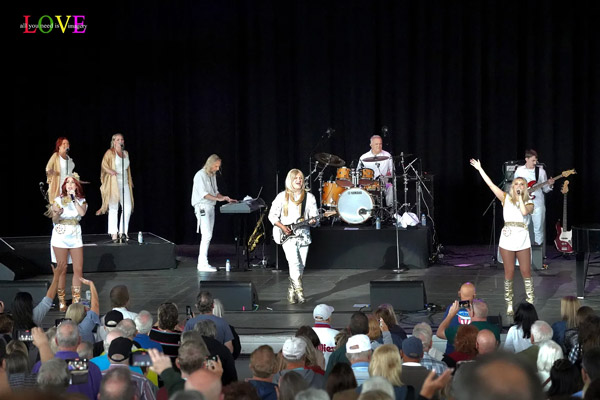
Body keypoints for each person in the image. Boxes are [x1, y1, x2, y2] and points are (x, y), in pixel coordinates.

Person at [471, 158, 535, 315]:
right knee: (509, 272)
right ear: (512, 186)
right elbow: (491, 185)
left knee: (526, 271)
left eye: (521, 184)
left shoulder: (529, 203)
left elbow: (524, 212)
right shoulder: (505, 198)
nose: (518, 186)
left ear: (525, 187)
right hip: (508, 238)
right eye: (516, 184)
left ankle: (530, 299)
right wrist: (480, 169)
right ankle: (509, 302)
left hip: (522, 238)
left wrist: (520, 198)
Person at [268, 169, 318, 303]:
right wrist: (283, 227)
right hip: (287, 236)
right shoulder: (281, 196)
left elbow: (314, 217)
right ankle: (300, 293)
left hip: (303, 235)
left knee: (301, 265)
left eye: (300, 178)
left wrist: (314, 221)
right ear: (290, 180)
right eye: (295, 178)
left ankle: (291, 290)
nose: (299, 180)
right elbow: (272, 215)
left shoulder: (309, 197)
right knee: (294, 263)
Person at [191, 154, 237, 272]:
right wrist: (218, 199)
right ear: (210, 164)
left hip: (210, 206)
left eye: (218, 166)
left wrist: (224, 198)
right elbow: (204, 194)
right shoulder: (200, 175)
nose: (217, 169)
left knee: (208, 235)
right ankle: (202, 264)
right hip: (202, 206)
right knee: (206, 235)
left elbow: (216, 192)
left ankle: (203, 262)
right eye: (216, 166)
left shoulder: (212, 176)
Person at [49, 173, 88, 311]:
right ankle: (61, 301)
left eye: (72, 182)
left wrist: (74, 199)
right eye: (67, 182)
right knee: (62, 269)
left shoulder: (81, 200)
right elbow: (54, 219)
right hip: (60, 236)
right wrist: (57, 214)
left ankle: (76, 300)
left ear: (76, 186)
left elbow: (82, 213)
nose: (69, 185)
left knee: (78, 269)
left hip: (75, 236)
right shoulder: (58, 200)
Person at [96, 133, 134, 241]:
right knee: (114, 208)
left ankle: (123, 232)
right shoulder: (110, 152)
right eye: (118, 139)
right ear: (113, 141)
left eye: (122, 139)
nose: (120, 141)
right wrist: (110, 171)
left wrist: (130, 180)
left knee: (127, 207)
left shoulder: (126, 153)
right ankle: (113, 233)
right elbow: (104, 165)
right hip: (114, 183)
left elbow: (127, 168)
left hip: (124, 183)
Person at [513, 149, 555, 247]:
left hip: (537, 203)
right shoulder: (519, 170)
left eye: (536, 160)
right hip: (523, 203)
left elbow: (545, 189)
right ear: (526, 159)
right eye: (533, 160)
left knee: (538, 229)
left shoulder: (541, 172)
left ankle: (538, 250)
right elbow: (514, 186)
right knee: (522, 227)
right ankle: (522, 249)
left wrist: (550, 185)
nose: (535, 163)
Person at [359, 135, 394, 206]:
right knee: (359, 188)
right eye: (376, 144)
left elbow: (392, 172)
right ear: (371, 145)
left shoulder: (387, 156)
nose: (379, 146)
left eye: (380, 144)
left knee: (390, 186)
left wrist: (388, 176)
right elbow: (359, 173)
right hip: (368, 184)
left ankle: (390, 209)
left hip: (383, 183)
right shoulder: (363, 157)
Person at [45, 137, 75, 203]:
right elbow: (48, 168)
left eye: (67, 143)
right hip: (58, 186)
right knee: (58, 205)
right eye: (64, 143)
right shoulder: (56, 156)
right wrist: (55, 173)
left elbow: (70, 172)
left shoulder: (69, 158)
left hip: (68, 187)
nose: (66, 145)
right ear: (59, 146)